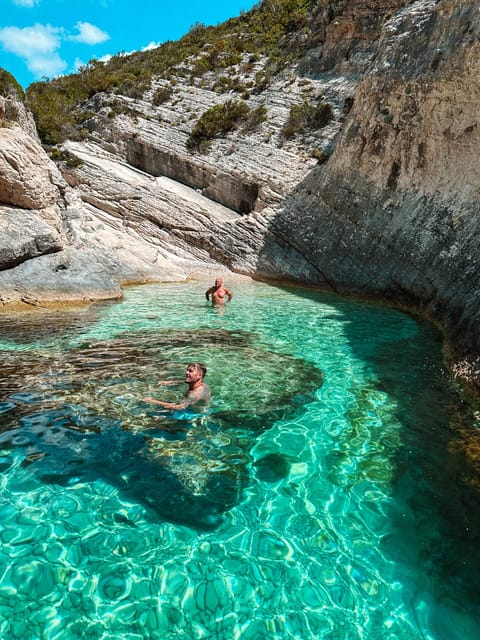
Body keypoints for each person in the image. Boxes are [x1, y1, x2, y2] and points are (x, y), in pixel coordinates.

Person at [143, 362, 211, 410]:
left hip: (194, 415)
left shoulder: (195, 394)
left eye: (190, 371)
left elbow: (180, 407)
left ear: (199, 375)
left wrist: (153, 401)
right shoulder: (203, 385)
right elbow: (187, 381)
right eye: (187, 370)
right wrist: (169, 383)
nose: (186, 373)